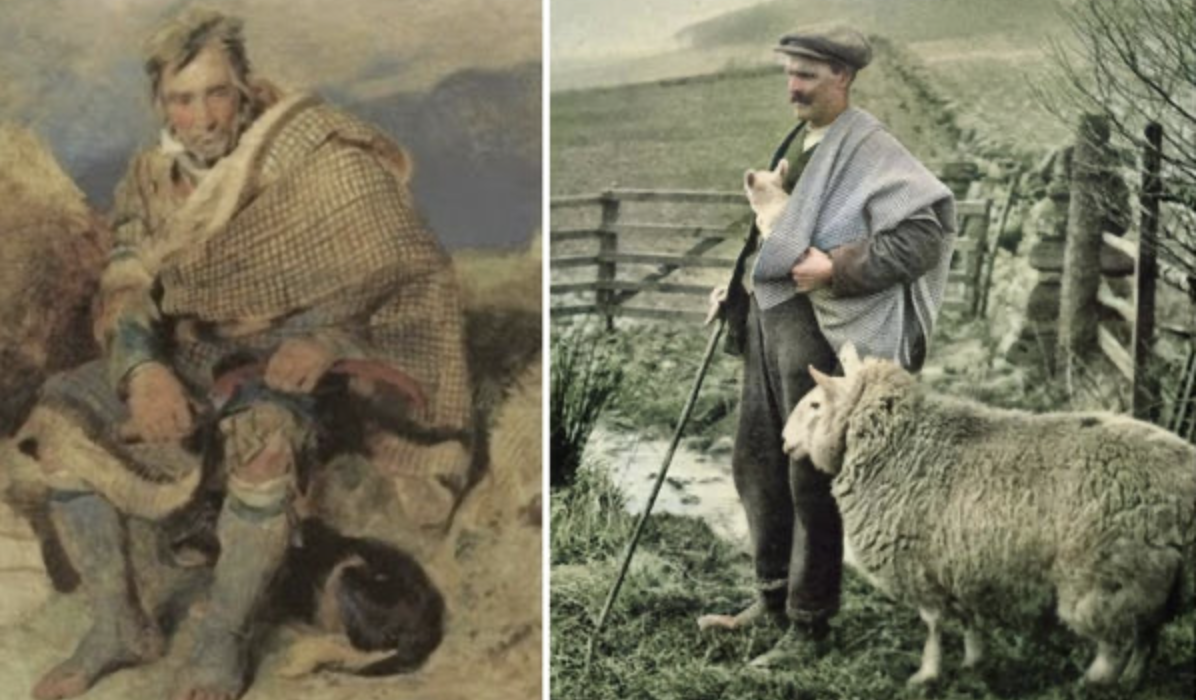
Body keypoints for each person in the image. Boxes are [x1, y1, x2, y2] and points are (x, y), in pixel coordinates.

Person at [15, 9, 472, 700]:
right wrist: (142, 372)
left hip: (287, 362)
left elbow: (406, 277)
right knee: (58, 426)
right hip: (187, 352)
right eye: (182, 98)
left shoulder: (319, 165)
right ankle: (117, 627)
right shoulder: (148, 179)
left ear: (245, 88)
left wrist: (324, 341)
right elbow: (129, 283)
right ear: (160, 102)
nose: (201, 117)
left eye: (216, 94)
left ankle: (223, 638)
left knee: (264, 448)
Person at [700, 27, 957, 667]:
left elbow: (921, 239)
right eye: (789, 72)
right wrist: (736, 289)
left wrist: (835, 268)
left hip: (827, 334)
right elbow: (780, 237)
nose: (793, 85)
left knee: (811, 474)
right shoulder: (802, 142)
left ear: (842, 77)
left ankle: (809, 623)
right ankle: (772, 594)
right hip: (773, 322)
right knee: (757, 456)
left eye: (808, 74)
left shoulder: (871, 148)